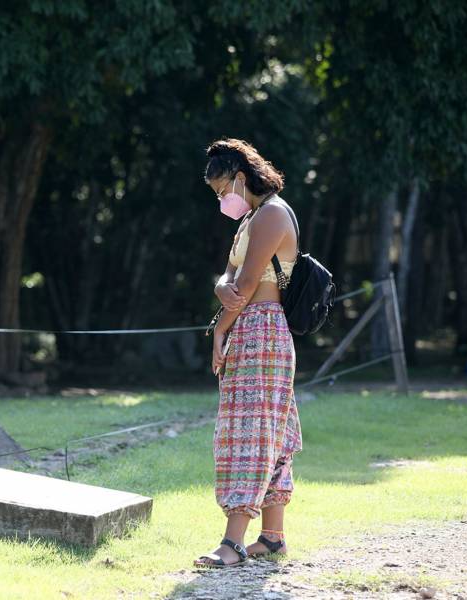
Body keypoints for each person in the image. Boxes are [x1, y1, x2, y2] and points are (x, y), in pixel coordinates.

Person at [194, 138, 304, 568]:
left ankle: (232, 543)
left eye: (224, 191)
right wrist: (223, 289)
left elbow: (242, 286)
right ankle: (272, 538)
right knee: (271, 433)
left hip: (262, 331)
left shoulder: (272, 214)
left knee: (249, 435)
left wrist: (219, 329)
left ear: (241, 179)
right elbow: (229, 279)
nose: (223, 200)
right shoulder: (255, 217)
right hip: (252, 329)